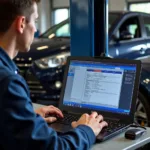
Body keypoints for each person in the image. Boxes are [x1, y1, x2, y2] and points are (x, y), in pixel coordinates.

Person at [0, 0, 108, 149]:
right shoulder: (8, 81)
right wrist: (87, 130)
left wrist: (28, 118)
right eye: (35, 21)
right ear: (22, 23)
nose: (36, 29)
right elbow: (55, 147)